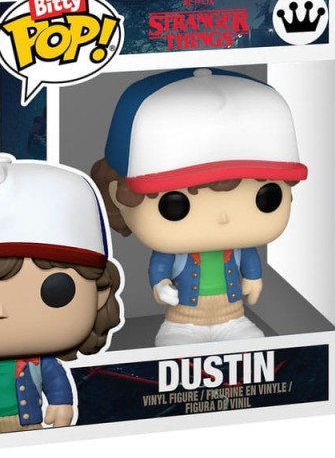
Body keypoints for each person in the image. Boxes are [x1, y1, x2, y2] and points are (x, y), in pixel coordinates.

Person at [91, 68, 307, 346]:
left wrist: (254, 279)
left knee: (250, 344)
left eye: (266, 198)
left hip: (233, 316)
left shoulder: (240, 248)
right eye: (175, 206)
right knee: (177, 347)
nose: (223, 218)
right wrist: (160, 285)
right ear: (119, 195)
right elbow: (160, 268)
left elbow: (250, 262)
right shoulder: (173, 252)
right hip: (184, 319)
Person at [0, 157, 123, 433]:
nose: (1, 310)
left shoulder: (40, 362)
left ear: (100, 292)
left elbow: (56, 382)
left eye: (54, 291)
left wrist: (62, 402)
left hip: (26, 425)